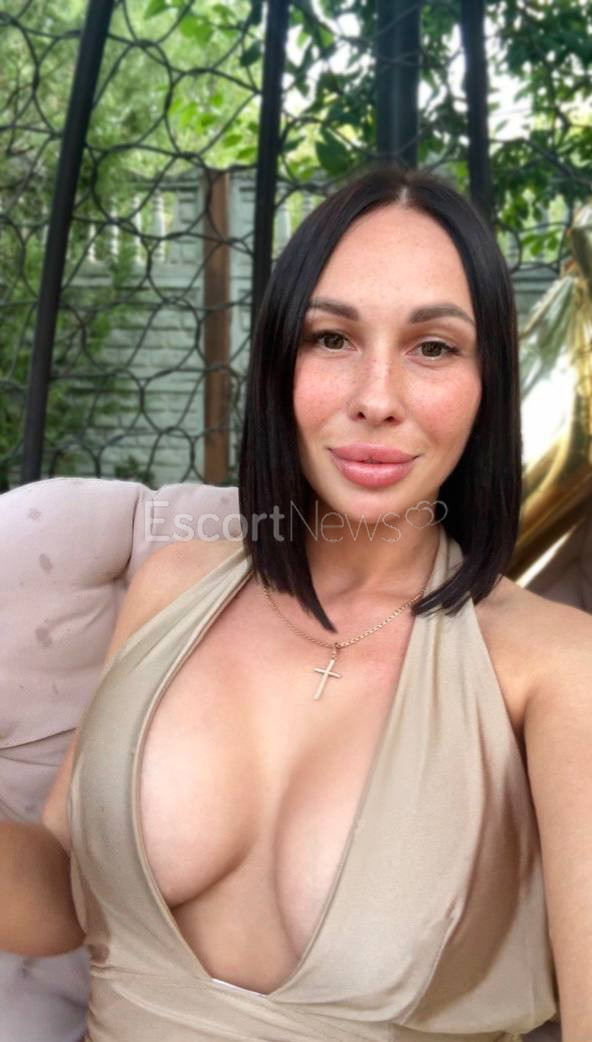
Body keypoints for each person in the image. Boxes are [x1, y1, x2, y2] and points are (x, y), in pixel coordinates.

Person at [1, 165, 591, 1041]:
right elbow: (59, 892)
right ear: (281, 360)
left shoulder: (556, 669)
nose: (376, 399)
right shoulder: (172, 586)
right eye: (332, 338)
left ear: (488, 384)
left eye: (433, 347)